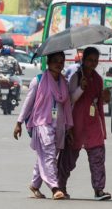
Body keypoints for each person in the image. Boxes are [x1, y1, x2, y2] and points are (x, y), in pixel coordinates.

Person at [13, 51, 74, 200]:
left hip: (59, 124)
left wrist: (69, 127)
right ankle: (55, 187)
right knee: (49, 154)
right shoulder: (38, 80)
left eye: (61, 61)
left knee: (47, 155)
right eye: (55, 61)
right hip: (41, 123)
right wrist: (19, 122)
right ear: (48, 62)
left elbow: (66, 105)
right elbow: (28, 102)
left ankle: (35, 185)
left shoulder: (63, 83)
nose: (59, 64)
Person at [58, 47, 112, 201]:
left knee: (97, 155)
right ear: (84, 60)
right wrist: (81, 87)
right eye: (90, 60)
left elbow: (99, 101)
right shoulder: (75, 77)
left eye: (95, 60)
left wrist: (105, 96)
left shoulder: (98, 79)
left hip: (93, 122)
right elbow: (70, 100)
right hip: (76, 122)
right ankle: (61, 186)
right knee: (69, 157)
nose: (92, 63)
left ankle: (99, 189)